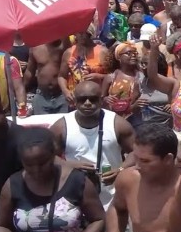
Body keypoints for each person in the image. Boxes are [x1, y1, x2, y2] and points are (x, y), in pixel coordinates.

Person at [49, 80, 135, 214]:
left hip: (112, 197)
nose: (87, 103)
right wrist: (70, 165)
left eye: (93, 99)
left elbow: (136, 152)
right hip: (77, 198)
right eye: (82, 99)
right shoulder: (61, 126)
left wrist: (120, 170)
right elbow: (47, 157)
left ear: (101, 100)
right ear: (74, 100)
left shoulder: (117, 123)